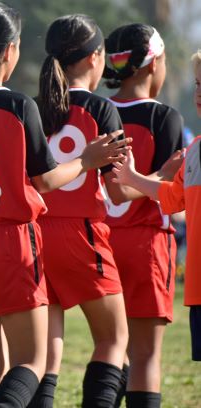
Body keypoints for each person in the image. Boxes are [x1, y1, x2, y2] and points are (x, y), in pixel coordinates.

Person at [0, 4, 130, 407]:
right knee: (33, 361)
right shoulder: (19, 106)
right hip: (10, 242)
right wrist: (86, 161)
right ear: (10, 52)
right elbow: (46, 181)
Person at [30, 15, 130, 408]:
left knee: (46, 353)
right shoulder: (102, 110)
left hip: (36, 234)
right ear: (95, 58)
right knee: (112, 340)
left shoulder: (32, 108)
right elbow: (119, 192)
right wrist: (163, 179)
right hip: (82, 235)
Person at [102, 24, 184, 408]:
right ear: (153, 64)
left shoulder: (94, 109)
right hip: (146, 242)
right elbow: (169, 192)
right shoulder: (163, 116)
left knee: (109, 350)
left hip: (96, 242)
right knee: (146, 357)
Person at [112, 50, 201, 366]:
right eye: (198, 84)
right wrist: (133, 178)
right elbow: (173, 198)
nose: (199, 94)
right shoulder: (194, 149)